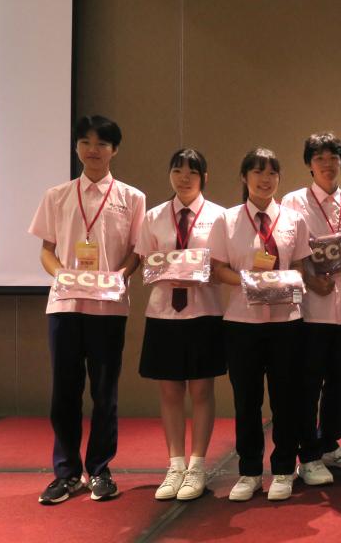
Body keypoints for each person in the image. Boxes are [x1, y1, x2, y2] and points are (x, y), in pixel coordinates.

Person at [30, 115, 145, 504]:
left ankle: (99, 470)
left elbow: (136, 252)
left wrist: (120, 276)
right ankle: (66, 473)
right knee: (64, 391)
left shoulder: (132, 198)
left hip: (108, 308)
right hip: (64, 305)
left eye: (101, 144)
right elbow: (46, 251)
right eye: (85, 142)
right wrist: (62, 275)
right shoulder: (57, 195)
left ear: (115, 149)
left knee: (104, 392)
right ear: (77, 147)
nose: (92, 150)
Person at [208, 147, 312, 502]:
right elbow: (217, 269)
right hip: (242, 322)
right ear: (244, 177)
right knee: (246, 401)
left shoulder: (294, 219)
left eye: (272, 173)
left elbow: (301, 266)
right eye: (258, 172)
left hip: (287, 322)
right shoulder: (227, 219)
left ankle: (283, 469)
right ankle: (250, 471)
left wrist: (285, 280)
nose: (265, 180)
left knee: (286, 399)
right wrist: (249, 281)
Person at [136, 149, 226, 501]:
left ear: (204, 177)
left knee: (202, 391)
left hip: (204, 312)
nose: (184, 178)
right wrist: (167, 270)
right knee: (170, 392)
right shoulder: (154, 216)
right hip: (164, 314)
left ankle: (197, 465)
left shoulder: (219, 217)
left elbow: (224, 266)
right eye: (177, 171)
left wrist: (201, 272)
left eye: (192, 172)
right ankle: (175, 465)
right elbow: (146, 265)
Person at [282, 133, 341, 485]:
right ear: (309, 164)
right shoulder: (292, 201)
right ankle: (309, 454)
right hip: (311, 308)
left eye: (333, 158)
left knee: (339, 380)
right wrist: (309, 280)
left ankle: (330, 443)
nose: (327, 164)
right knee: (309, 383)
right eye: (319, 158)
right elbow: (287, 251)